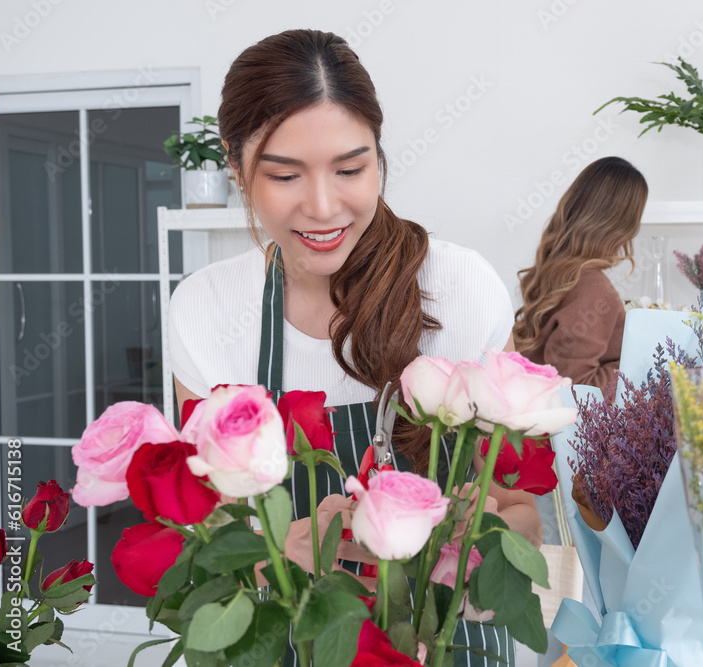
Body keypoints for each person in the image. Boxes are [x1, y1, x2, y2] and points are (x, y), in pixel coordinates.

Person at [169, 29, 539, 666]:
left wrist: (443, 542)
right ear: (236, 168)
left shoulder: (461, 288)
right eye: (285, 175)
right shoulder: (205, 309)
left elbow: (525, 516)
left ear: (380, 156)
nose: (322, 207)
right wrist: (281, 555)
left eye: (350, 169)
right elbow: (209, 539)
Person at [512, 156, 648, 394]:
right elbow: (576, 389)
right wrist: (641, 366)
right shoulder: (595, 289)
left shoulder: (563, 273)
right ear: (624, 225)